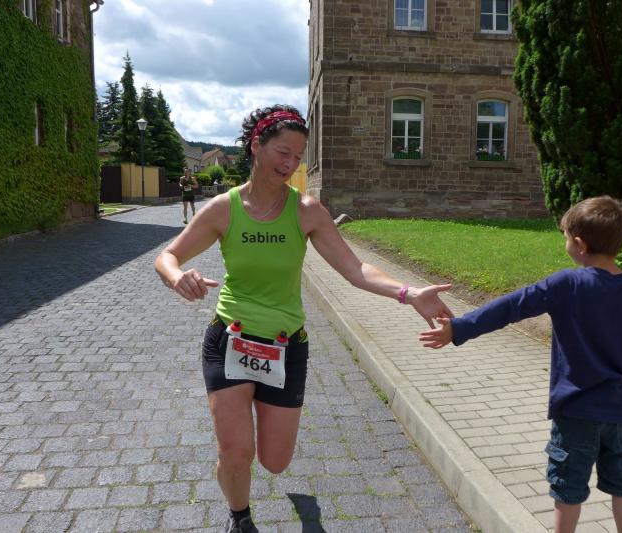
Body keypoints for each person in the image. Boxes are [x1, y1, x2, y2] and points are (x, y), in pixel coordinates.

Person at [154, 104, 453, 533]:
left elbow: (356, 269)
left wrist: (408, 294)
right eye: (283, 152)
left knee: (275, 461)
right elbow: (167, 256)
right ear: (256, 146)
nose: (291, 163)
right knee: (235, 451)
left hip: (285, 345)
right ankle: (240, 517)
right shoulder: (224, 208)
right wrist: (177, 277)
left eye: (298, 156)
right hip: (230, 340)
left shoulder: (307, 211)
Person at [419, 196, 622, 533]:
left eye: (565, 236)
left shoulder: (565, 284)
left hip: (576, 410)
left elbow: (511, 306)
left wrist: (459, 328)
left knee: (568, 488)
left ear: (579, 244)